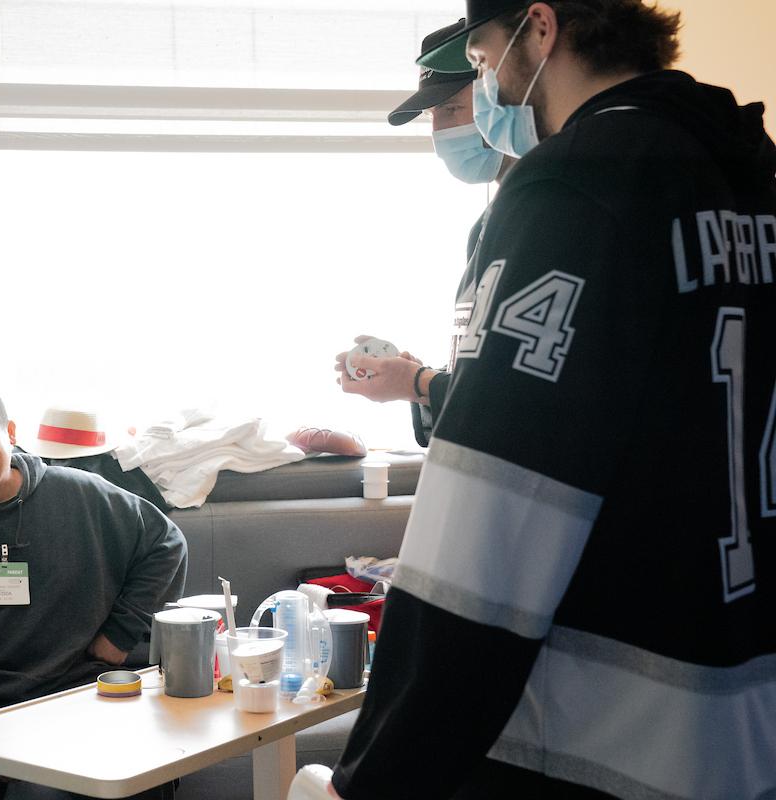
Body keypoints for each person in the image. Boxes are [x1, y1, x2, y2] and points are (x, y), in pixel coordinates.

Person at [299, 0, 776, 797]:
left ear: (541, 29)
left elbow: (492, 529)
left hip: (613, 726)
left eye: (482, 64)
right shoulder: (747, 170)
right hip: (744, 702)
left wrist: (378, 772)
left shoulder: (576, 182)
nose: (484, 91)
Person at [0, 385, 188, 800]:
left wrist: (121, 633)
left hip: (76, 688)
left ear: (9, 430)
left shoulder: (81, 494)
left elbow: (165, 543)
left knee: (130, 757)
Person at [337, 18, 515, 446]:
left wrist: (417, 382)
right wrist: (417, 376)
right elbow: (488, 373)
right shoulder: (487, 225)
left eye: (452, 110)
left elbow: (525, 396)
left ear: (501, 99)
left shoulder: (544, 217)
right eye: (434, 116)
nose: (440, 132)